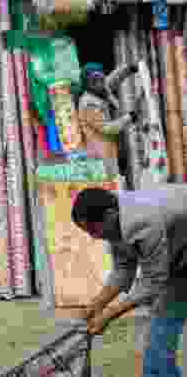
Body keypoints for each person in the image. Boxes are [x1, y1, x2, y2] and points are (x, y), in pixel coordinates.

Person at [72, 186, 187, 376]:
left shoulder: (143, 221)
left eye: (93, 229)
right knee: (157, 346)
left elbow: (153, 281)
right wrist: (95, 305)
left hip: (179, 264)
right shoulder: (116, 219)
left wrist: (109, 314)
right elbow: (123, 269)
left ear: (109, 214)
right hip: (178, 257)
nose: (93, 237)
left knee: (160, 340)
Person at [77, 62, 142, 178]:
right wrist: (129, 117)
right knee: (109, 182)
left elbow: (113, 79)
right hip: (100, 153)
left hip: (109, 147)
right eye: (94, 81)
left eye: (101, 79)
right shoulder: (88, 104)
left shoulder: (99, 88)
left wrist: (129, 69)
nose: (99, 83)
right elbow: (106, 128)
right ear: (87, 84)